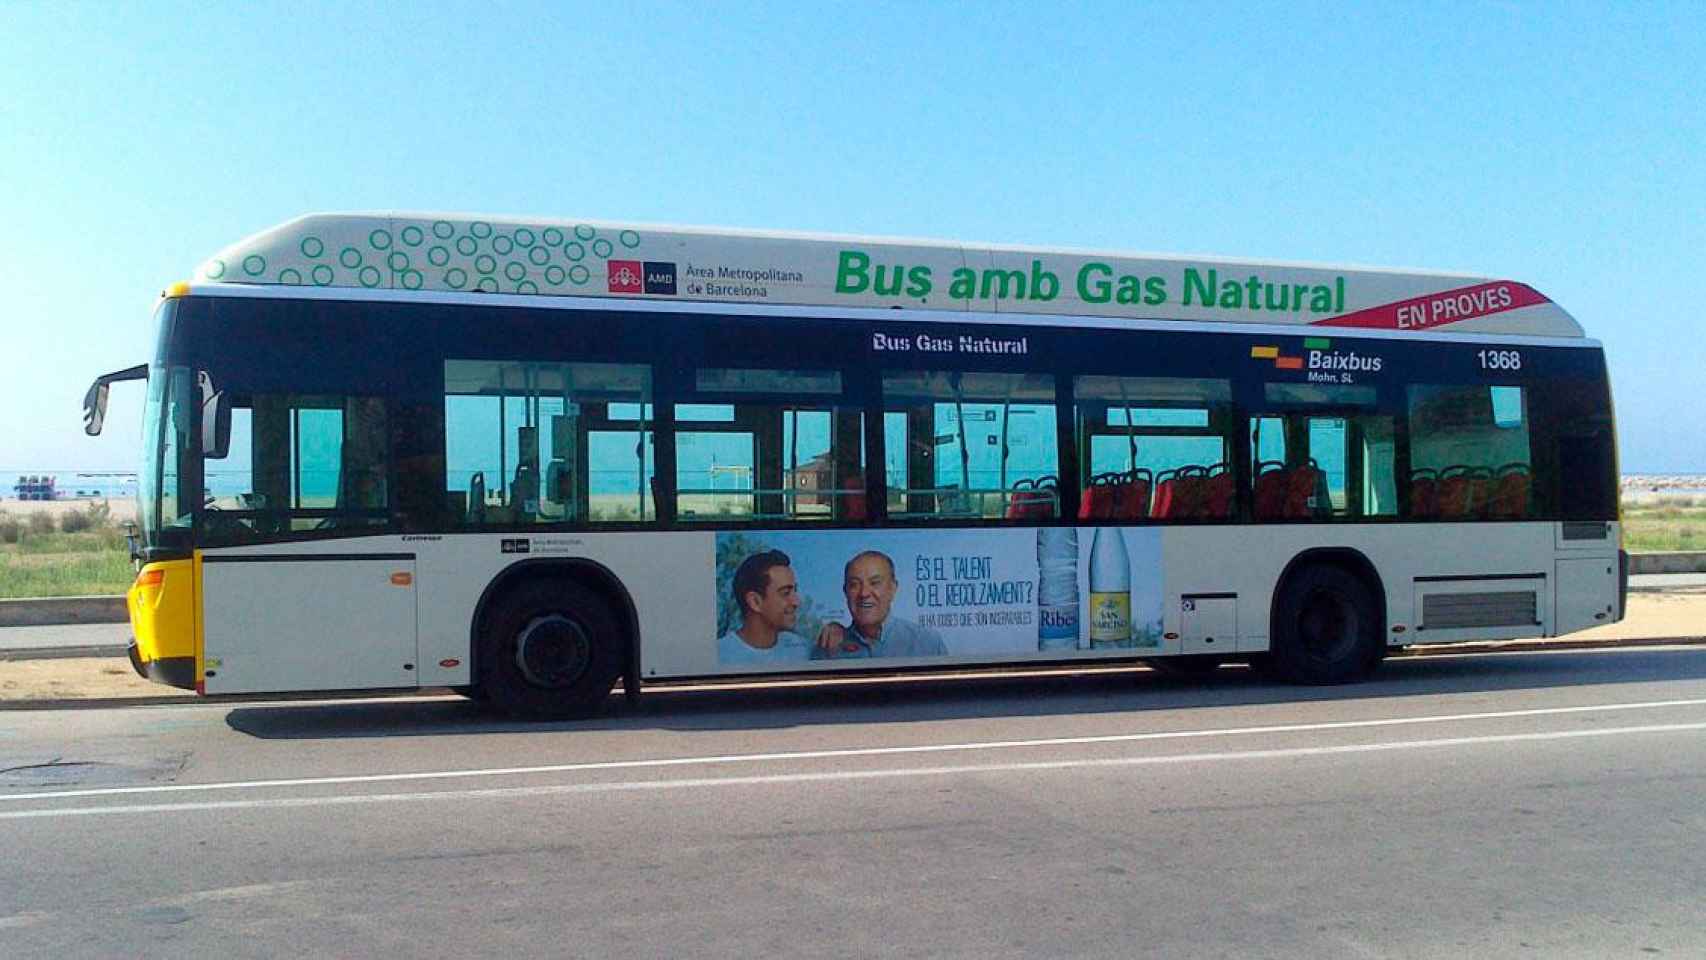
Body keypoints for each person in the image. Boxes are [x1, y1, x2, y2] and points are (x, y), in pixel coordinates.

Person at [813, 549, 947, 659]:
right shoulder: (828, 646)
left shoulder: (927, 642)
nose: (864, 593)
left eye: (875, 583)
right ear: (845, 592)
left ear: (893, 589)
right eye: (854, 585)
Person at [719, 549, 812, 665]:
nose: (796, 602)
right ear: (755, 602)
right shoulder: (721, 655)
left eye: (795, 591)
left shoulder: (803, 650)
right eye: (785, 593)